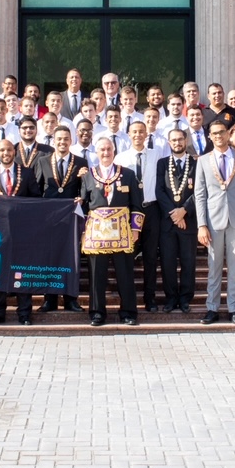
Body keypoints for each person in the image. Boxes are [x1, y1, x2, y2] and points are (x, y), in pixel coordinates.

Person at [79, 137, 145, 327]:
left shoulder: (128, 174)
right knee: (96, 276)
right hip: (96, 235)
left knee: (125, 274)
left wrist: (135, 229)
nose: (106, 153)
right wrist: (83, 232)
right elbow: (83, 207)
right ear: (96, 152)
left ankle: (128, 312)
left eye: (109, 149)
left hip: (122, 233)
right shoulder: (88, 176)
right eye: (102, 150)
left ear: (114, 151)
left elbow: (137, 205)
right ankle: (97, 313)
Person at [194, 120, 235, 325]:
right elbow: (199, 195)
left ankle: (234, 308)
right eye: (214, 134)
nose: (218, 136)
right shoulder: (202, 161)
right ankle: (212, 307)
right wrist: (201, 224)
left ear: (228, 134)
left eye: (221, 132)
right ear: (209, 136)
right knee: (214, 266)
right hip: (213, 220)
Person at [0, 139, 40, 325]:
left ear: (14, 152)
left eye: (8, 150)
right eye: (2, 150)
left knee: (22, 272)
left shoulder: (27, 173)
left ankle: (24, 314)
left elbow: (36, 199)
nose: (5, 153)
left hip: (22, 233)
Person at [115, 120, 166, 312]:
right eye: (134, 132)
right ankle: (127, 300)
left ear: (146, 134)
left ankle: (149, 298)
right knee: (127, 257)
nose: (138, 135)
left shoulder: (156, 155)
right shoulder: (120, 158)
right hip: (129, 212)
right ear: (128, 134)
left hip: (151, 209)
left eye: (141, 132)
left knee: (151, 257)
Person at [37, 126, 86, 314]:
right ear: (53, 140)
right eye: (59, 139)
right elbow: (37, 189)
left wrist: (81, 198)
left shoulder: (80, 162)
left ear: (71, 140)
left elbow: (85, 188)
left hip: (71, 219)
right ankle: (49, 300)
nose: (62, 142)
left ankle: (71, 300)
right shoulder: (42, 161)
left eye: (66, 139)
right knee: (49, 259)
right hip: (48, 220)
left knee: (70, 259)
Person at [156, 128, 197, 313]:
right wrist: (174, 213)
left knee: (188, 262)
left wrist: (184, 211)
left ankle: (186, 298)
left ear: (186, 140)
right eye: (174, 140)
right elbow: (159, 191)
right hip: (168, 222)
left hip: (189, 221)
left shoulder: (196, 163)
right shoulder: (162, 163)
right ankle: (171, 298)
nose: (177, 143)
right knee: (168, 262)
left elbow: (200, 191)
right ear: (168, 142)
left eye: (180, 139)